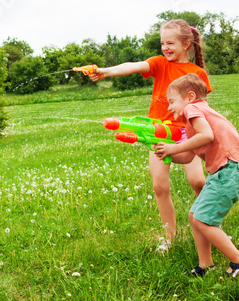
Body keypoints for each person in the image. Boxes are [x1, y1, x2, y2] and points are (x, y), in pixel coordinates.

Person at [90, 19, 211, 246]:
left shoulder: (196, 73)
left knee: (197, 181)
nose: (165, 48)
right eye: (162, 43)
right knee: (159, 186)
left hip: (186, 132)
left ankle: (208, 225)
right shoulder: (160, 63)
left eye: (170, 43)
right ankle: (170, 238)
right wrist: (106, 72)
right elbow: (134, 65)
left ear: (186, 44)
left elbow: (202, 107)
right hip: (157, 132)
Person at [152, 74, 239, 278]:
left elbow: (207, 136)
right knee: (195, 216)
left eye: (172, 101)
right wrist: (167, 153)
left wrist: (174, 146)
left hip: (230, 170)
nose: (169, 107)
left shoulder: (193, 109)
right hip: (225, 172)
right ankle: (204, 265)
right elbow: (188, 156)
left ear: (190, 97)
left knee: (203, 221)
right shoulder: (195, 121)